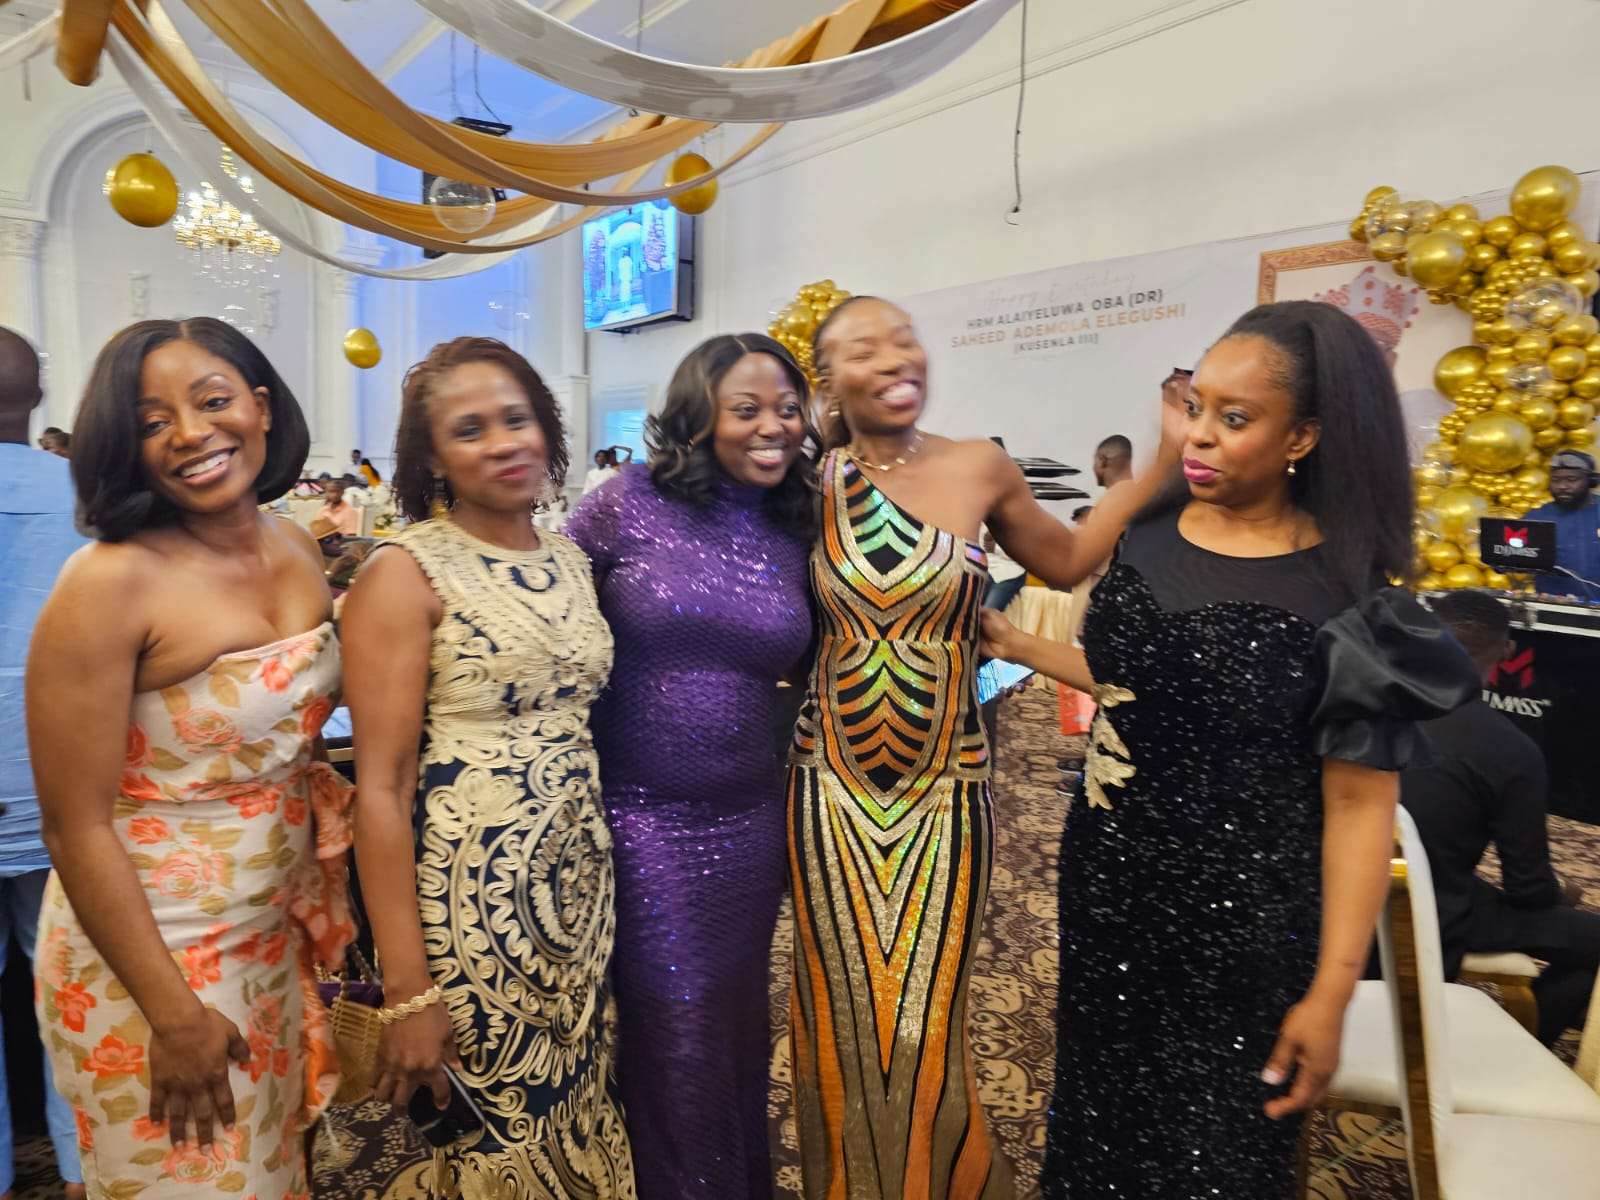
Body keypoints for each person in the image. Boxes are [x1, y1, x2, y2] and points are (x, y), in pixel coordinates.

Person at [980, 300, 1479, 1198]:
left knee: (1214, 1154)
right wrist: (1019, 646)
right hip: (1110, 882)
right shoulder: (1149, 534)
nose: (1199, 435)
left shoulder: (1349, 596)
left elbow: (1360, 805)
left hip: (1245, 919)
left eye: (1234, 418)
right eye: (1194, 406)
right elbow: (1144, 686)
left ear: (1304, 437)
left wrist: (1331, 993)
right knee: (1101, 1119)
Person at [789, 295, 1179, 1200]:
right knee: (840, 1011)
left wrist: (1159, 461)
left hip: (948, 786)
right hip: (830, 786)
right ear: (829, 382)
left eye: (905, 339)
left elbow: (1069, 562)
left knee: (928, 1017)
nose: (895, 357)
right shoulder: (807, 482)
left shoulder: (979, 465)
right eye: (865, 348)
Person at [26, 317, 354, 1197]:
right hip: (151, 958)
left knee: (273, 1173)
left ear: (261, 406)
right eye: (152, 421)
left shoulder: (293, 544)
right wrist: (172, 1018)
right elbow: (73, 824)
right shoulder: (109, 581)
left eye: (213, 401)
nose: (191, 433)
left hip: (270, 935)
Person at [342, 337, 633, 1198]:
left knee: (580, 1098)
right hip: (473, 905)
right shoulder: (404, 572)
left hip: (579, 889)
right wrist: (407, 988)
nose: (504, 443)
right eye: (470, 430)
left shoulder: (570, 558)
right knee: (498, 1125)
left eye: (517, 419)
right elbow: (381, 790)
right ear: (433, 457)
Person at [565, 333, 814, 1199]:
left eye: (788, 408)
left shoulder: (799, 522)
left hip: (750, 818)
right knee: (676, 1029)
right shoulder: (624, 503)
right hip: (640, 817)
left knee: (736, 1026)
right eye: (746, 409)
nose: (772, 426)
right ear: (696, 417)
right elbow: (545, 605)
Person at [1403, 589, 1600, 1045]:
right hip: (1438, 911)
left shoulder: (1361, 713)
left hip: (1341, 898)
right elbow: (1528, 889)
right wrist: (1562, 893)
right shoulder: (1510, 751)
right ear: (1506, 653)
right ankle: (1514, 1047)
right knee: (1593, 938)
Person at [0, 328, 85, 1200]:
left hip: (53, 784)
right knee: (70, 994)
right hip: (63, 783)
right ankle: (83, 1168)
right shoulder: (84, 497)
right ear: (37, 397)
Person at [1524, 450, 1600, 601]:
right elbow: (1508, 554)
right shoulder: (1538, 517)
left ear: (1591, 481)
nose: (1562, 486)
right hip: (1552, 605)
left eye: (1571, 479)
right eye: (1555, 480)